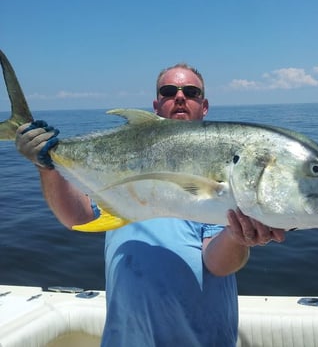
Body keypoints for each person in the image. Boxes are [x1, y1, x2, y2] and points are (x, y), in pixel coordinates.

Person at [16, 63, 285, 346]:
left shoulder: (220, 164)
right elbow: (78, 218)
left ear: (204, 106)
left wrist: (237, 235)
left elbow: (217, 264)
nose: (180, 97)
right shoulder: (127, 153)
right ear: (156, 105)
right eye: (169, 91)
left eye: (191, 92)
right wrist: (46, 165)